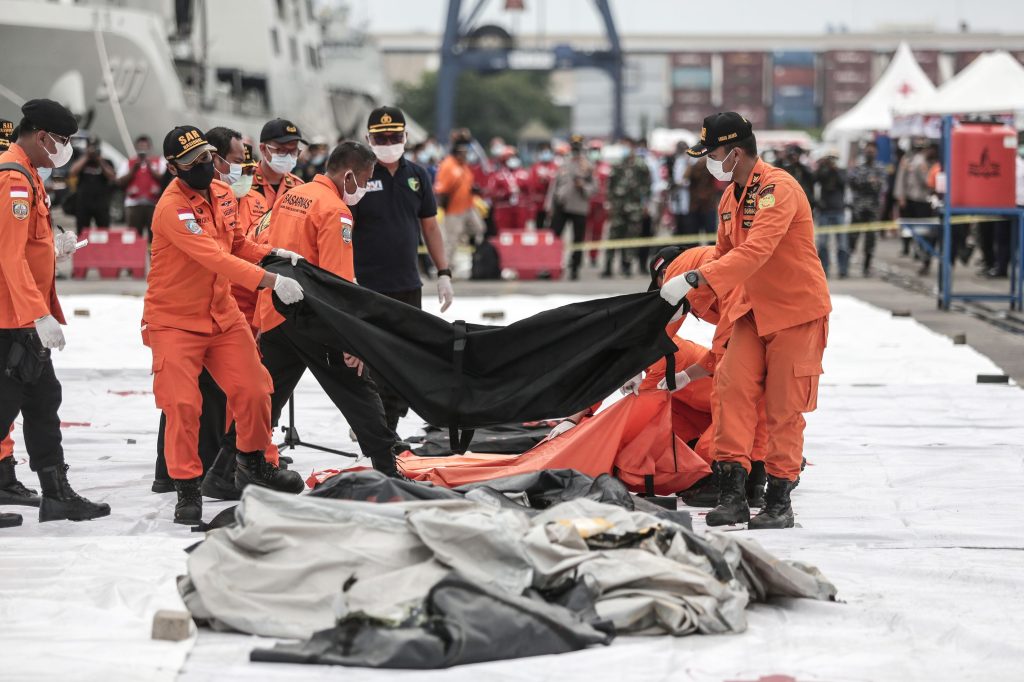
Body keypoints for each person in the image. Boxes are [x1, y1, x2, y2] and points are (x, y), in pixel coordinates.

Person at [661, 112, 830, 530]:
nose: (709, 162)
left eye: (712, 153)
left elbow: (756, 251)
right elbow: (723, 255)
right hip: (750, 312)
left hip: (794, 313)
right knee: (731, 391)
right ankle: (732, 495)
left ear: (734, 153)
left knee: (783, 408)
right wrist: (692, 295)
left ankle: (778, 502)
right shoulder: (730, 199)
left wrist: (696, 277)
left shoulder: (777, 190)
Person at [144, 125, 306, 524]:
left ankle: (252, 462)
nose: (203, 165)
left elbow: (234, 244)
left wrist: (272, 254)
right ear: (173, 168)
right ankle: (187, 487)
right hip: (175, 321)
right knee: (183, 406)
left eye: (205, 156)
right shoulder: (172, 209)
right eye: (192, 162)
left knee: (255, 389)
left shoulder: (221, 193)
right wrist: (271, 280)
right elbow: (214, 258)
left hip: (221, 314)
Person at [255, 141, 408, 478]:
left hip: (277, 311)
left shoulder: (291, 196)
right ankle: (387, 467)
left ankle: (227, 469)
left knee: (264, 398)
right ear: (349, 176)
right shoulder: (336, 211)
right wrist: (352, 340)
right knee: (359, 390)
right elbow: (337, 282)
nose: (364, 188)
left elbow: (265, 248)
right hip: (315, 317)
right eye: (365, 180)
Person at [0, 99, 111, 527]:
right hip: (12, 319)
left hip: (23, 318)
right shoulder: (13, 177)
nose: (66, 150)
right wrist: (38, 315)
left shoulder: (29, 173)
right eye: (63, 141)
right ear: (42, 136)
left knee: (44, 401)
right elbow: (9, 256)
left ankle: (57, 495)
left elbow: (26, 245)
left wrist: (52, 248)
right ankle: (55, 493)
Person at [351, 105, 453, 434]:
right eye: (381, 139)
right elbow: (341, 225)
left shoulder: (418, 175)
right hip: (367, 283)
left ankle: (388, 427)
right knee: (372, 359)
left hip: (407, 283)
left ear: (406, 137)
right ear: (368, 139)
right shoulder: (359, 176)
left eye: (394, 137)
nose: (388, 144)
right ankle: (374, 426)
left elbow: (430, 227)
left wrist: (444, 272)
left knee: (404, 358)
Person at [547, 135, 595, 280]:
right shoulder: (564, 164)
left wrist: (583, 186)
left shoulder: (588, 166)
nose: (575, 150)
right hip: (561, 205)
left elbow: (595, 187)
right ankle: (552, 266)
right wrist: (549, 205)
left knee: (578, 239)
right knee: (555, 236)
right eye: (573, 147)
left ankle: (574, 268)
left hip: (579, 206)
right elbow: (554, 186)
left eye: (577, 147)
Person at [602, 138, 651, 278]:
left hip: (634, 207)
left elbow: (647, 187)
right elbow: (610, 186)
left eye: (629, 147)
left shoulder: (641, 166)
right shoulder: (617, 165)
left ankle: (627, 266)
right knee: (614, 235)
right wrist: (609, 203)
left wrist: (645, 204)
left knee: (631, 237)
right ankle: (608, 266)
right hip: (618, 206)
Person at [434, 139, 485, 268]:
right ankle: (446, 267)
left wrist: (473, 189)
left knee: (479, 228)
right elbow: (440, 189)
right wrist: (442, 206)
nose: (466, 155)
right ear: (457, 153)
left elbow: (467, 182)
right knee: (451, 239)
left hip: (468, 205)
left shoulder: (463, 165)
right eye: (464, 152)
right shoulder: (448, 165)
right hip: (453, 209)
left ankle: (465, 242)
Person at [846, 140, 886, 276]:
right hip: (858, 208)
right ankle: (845, 265)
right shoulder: (858, 168)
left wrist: (867, 183)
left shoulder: (880, 169)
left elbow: (880, 186)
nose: (870, 153)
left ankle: (867, 267)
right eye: (868, 151)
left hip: (873, 209)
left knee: (871, 240)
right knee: (852, 237)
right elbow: (852, 183)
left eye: (872, 151)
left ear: (876, 153)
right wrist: (868, 182)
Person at [116, 135, 166, 238]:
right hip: (133, 203)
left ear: (150, 147)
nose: (143, 149)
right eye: (140, 146)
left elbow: (165, 179)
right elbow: (119, 181)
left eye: (145, 146)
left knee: (155, 234)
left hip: (154, 203)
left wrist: (151, 168)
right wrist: (133, 170)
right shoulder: (128, 162)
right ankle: (135, 249)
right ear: (136, 147)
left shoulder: (159, 161)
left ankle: (151, 248)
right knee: (134, 235)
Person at [254, 118, 306, 209]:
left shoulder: (299, 186)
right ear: (263, 149)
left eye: (293, 151)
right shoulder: (243, 183)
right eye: (282, 150)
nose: (288, 156)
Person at [813, 152, 849, 278]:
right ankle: (824, 269)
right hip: (824, 210)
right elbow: (815, 179)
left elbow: (843, 182)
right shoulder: (823, 171)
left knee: (842, 243)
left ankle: (843, 270)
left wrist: (835, 170)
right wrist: (821, 165)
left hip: (838, 210)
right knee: (822, 244)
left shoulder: (841, 171)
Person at [68, 136, 116, 231]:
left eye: (95, 146)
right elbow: (72, 172)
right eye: (90, 146)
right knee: (82, 231)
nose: (93, 149)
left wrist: (99, 160)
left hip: (101, 202)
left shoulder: (106, 162)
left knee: (104, 231)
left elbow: (112, 176)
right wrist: (86, 157)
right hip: (83, 202)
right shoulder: (81, 160)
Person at [528, 143, 558, 228]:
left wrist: (548, 181)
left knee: (552, 225)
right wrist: (541, 182)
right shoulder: (535, 167)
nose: (546, 154)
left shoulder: (555, 167)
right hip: (539, 201)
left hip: (552, 200)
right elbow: (532, 183)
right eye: (543, 151)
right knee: (539, 224)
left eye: (547, 151)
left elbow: (557, 182)